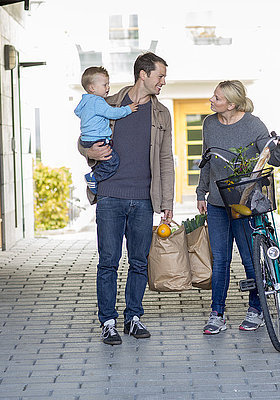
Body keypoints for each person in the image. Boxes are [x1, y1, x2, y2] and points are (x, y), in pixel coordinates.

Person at [77, 52, 174, 345]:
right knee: (108, 261)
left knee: (139, 261)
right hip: (110, 195)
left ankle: (133, 317)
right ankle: (108, 321)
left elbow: (166, 158)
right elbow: (84, 137)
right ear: (143, 75)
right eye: (160, 76)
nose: (163, 82)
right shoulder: (109, 103)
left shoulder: (161, 114)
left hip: (144, 199)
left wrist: (166, 202)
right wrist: (88, 152)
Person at [196, 80, 280, 335]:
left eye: (216, 98)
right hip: (218, 201)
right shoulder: (209, 124)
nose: (211, 100)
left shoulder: (253, 124)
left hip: (245, 202)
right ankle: (217, 313)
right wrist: (200, 192)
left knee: (251, 259)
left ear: (231, 104)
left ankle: (256, 309)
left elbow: (271, 156)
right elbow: (206, 160)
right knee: (220, 260)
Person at [74, 66, 138, 194]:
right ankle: (94, 177)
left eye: (108, 84)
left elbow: (78, 113)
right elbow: (112, 113)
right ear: (92, 88)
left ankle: (95, 177)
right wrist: (128, 109)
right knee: (112, 162)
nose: (108, 88)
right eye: (105, 85)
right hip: (97, 140)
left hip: (86, 140)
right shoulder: (98, 101)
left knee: (103, 161)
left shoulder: (85, 102)